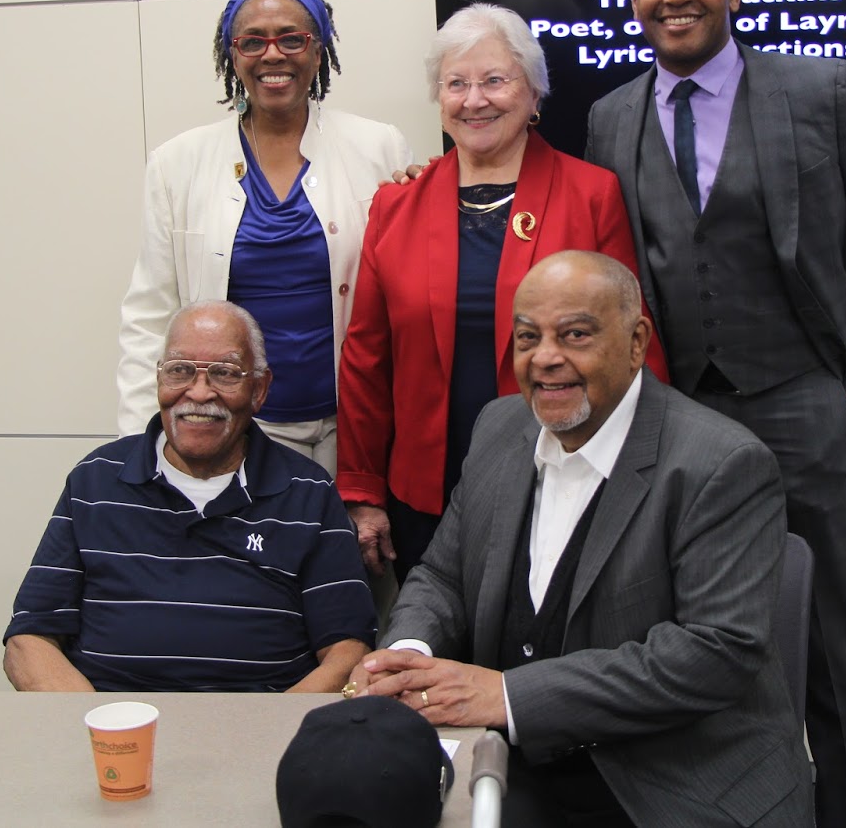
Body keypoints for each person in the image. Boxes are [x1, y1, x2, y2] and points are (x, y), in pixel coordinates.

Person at [586, 0, 846, 828]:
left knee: (832, 649)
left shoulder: (818, 90)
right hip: (674, 430)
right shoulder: (611, 116)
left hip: (804, 410)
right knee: (693, 651)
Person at [346, 251, 810, 827]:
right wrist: (409, 654)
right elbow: (442, 575)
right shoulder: (499, 427)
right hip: (513, 766)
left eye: (575, 334)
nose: (545, 358)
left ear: (637, 341)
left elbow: (715, 652)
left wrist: (511, 697)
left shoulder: (721, 462)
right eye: (527, 337)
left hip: (668, 778)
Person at [337, 4, 668, 583]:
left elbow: (633, 345)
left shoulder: (592, 195)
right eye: (456, 84)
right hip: (426, 497)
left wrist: (650, 470)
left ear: (534, 93)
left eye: (494, 80)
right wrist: (363, 488)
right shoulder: (395, 207)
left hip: (567, 478)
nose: (474, 99)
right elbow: (367, 358)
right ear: (439, 100)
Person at [116, 0, 413, 473]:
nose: (273, 54)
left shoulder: (379, 147)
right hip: (238, 430)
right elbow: (150, 315)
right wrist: (140, 444)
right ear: (232, 56)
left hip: (359, 425)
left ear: (318, 52)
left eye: (291, 38)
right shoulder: (178, 163)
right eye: (253, 41)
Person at [6, 301, 374, 692]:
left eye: (225, 373)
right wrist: (105, 729)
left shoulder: (308, 492)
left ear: (260, 389)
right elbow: (28, 640)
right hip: (112, 728)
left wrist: (275, 736)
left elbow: (348, 651)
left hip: (260, 730)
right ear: (159, 379)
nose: (199, 393)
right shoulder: (95, 482)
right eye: (180, 371)